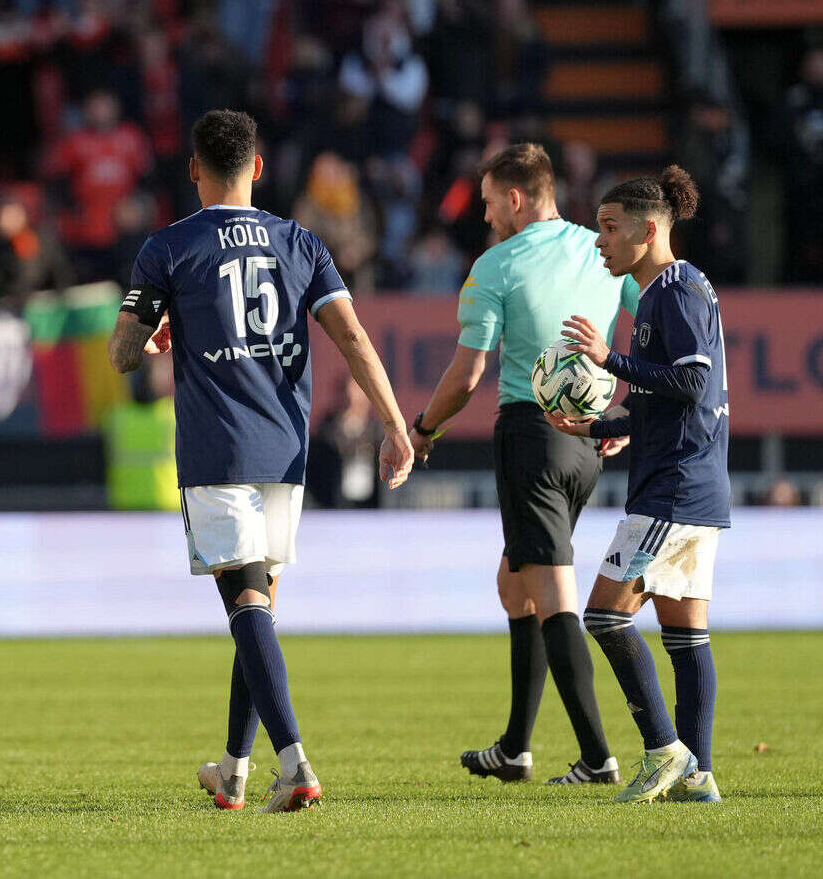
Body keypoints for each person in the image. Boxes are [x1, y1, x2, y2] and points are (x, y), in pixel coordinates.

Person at [107, 109, 413, 813]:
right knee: (260, 603)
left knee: (245, 600)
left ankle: (295, 762)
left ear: (193, 168)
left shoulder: (169, 246)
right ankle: (235, 768)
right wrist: (395, 423)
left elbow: (124, 354)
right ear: (260, 167)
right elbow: (355, 337)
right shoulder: (301, 241)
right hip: (288, 445)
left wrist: (158, 328)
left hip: (219, 445)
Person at [408, 143, 637, 786]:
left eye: (487, 203)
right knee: (517, 586)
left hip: (531, 438)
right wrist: (617, 415)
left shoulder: (495, 266)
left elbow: (466, 375)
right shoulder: (603, 251)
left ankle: (597, 756)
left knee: (551, 590)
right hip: (586, 443)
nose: (484, 216)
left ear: (515, 198)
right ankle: (515, 746)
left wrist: (422, 430)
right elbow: (650, 339)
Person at [550, 166, 728, 804]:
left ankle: (664, 752)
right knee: (686, 637)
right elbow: (667, 395)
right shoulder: (672, 291)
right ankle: (699, 773)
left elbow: (690, 383)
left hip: (673, 489)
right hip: (692, 482)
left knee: (602, 615)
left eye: (609, 227)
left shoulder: (673, 291)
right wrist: (606, 422)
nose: (600, 241)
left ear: (649, 230)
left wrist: (608, 360)